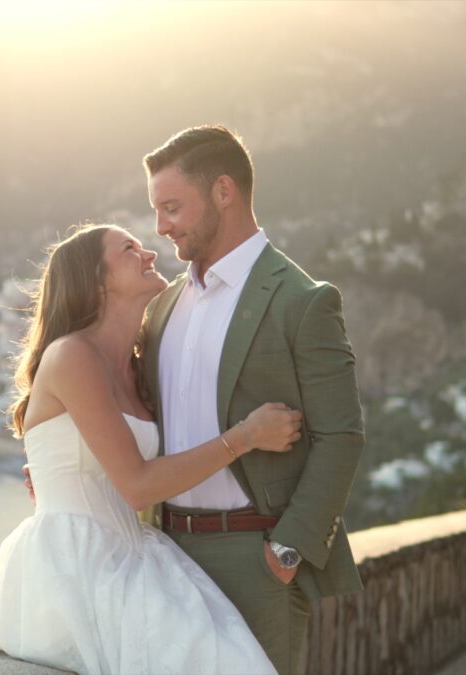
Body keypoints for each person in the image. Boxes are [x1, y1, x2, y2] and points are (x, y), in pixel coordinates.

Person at [0, 222, 303, 674]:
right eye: (129, 248)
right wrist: (246, 436)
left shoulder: (138, 365)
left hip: (133, 554)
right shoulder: (71, 355)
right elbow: (138, 486)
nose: (149, 253)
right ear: (97, 282)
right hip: (72, 567)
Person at [137, 125, 364, 674]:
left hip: (255, 560)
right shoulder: (162, 306)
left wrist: (286, 551)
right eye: (157, 211)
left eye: (172, 208)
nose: (160, 227)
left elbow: (342, 437)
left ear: (223, 191)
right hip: (164, 554)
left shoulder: (301, 301)